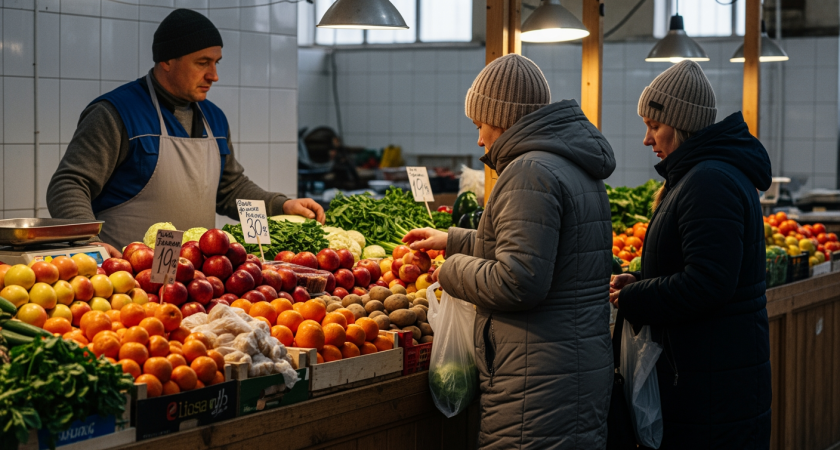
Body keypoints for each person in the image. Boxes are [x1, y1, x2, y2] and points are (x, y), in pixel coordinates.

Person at [404, 54, 615, 449]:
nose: (479, 140)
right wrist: (453, 240)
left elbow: (518, 281)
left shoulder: (528, 171)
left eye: (479, 125)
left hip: (535, 383)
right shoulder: (573, 165)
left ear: (501, 118)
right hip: (570, 369)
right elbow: (548, 251)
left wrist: (451, 270)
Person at [47, 9, 324, 256]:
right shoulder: (115, 113)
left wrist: (281, 206)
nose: (214, 75)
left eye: (216, 62)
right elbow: (68, 185)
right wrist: (89, 243)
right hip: (128, 279)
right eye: (203, 63)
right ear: (167, 60)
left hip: (198, 280)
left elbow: (230, 189)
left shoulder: (214, 119)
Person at [609, 60, 772, 449]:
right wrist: (644, 281)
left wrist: (635, 297)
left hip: (712, 390)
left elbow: (708, 284)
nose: (647, 139)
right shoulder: (701, 175)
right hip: (710, 376)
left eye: (654, 126)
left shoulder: (709, 181)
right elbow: (700, 267)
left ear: (680, 125)